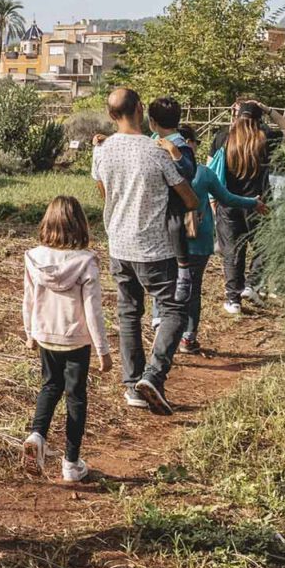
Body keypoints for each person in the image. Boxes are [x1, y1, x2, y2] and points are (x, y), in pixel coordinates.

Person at [88, 87, 198, 415]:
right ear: (139, 108)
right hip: (156, 248)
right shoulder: (156, 151)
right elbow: (189, 198)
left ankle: (131, 384)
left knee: (128, 314)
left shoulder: (103, 150)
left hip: (119, 244)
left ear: (111, 115)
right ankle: (153, 374)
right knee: (176, 311)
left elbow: (103, 191)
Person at [149, 103, 258, 358]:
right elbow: (229, 198)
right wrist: (254, 202)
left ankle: (160, 324)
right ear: (189, 144)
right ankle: (188, 337)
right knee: (192, 289)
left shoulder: (160, 171)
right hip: (197, 242)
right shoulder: (204, 174)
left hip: (167, 238)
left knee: (166, 285)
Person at [19, 195, 107, 483]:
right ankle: (71, 462)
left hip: (45, 336)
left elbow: (29, 300)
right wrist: (103, 350)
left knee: (49, 386)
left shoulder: (34, 258)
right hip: (75, 340)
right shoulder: (85, 262)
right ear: (80, 224)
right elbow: (92, 309)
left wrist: (30, 333)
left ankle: (37, 434)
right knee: (76, 397)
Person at [211, 102, 275, 315]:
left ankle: (233, 299)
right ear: (259, 120)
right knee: (266, 246)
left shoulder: (223, 138)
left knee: (232, 251)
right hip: (259, 204)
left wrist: (213, 204)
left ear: (236, 117)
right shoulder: (265, 138)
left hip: (228, 203)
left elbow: (212, 171)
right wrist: (267, 109)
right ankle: (252, 284)